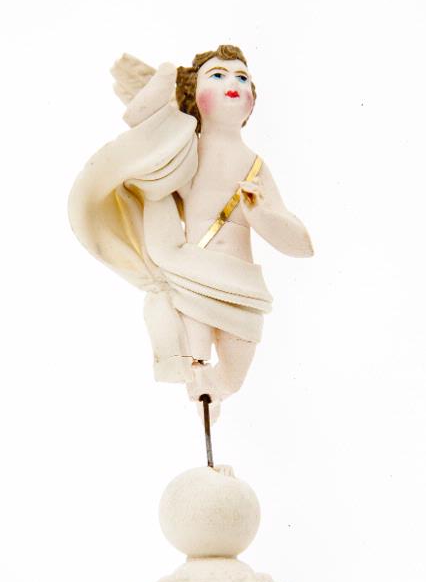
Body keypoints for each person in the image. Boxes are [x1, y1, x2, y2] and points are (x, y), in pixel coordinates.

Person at [68, 45, 313, 421]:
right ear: (193, 94)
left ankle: (214, 397)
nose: (232, 82)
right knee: (195, 368)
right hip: (191, 278)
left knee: (233, 378)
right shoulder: (184, 151)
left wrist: (262, 214)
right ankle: (203, 397)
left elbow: (301, 245)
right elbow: (140, 121)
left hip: (241, 289)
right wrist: (165, 77)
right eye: (217, 75)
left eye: (242, 77)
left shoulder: (256, 166)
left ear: (252, 99)